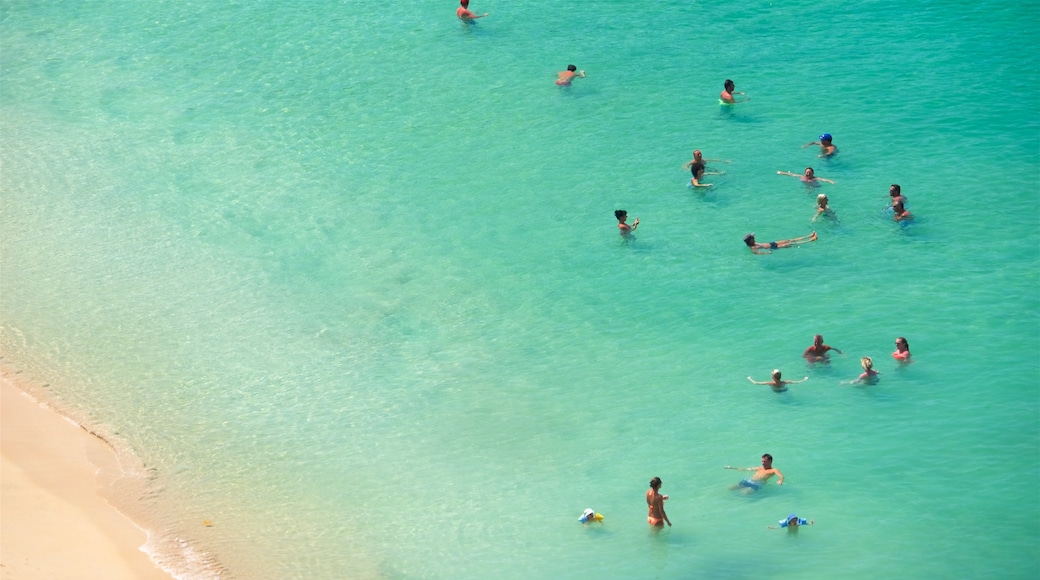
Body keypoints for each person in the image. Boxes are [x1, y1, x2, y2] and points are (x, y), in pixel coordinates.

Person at [743, 232, 817, 254]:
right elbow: (757, 253)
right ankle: (811, 240)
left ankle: (809, 236)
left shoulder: (754, 243)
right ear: (750, 240)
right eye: (753, 238)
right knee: (789, 244)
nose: (754, 238)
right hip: (773, 247)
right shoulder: (752, 247)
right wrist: (766, 253)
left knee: (789, 240)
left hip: (772, 243)